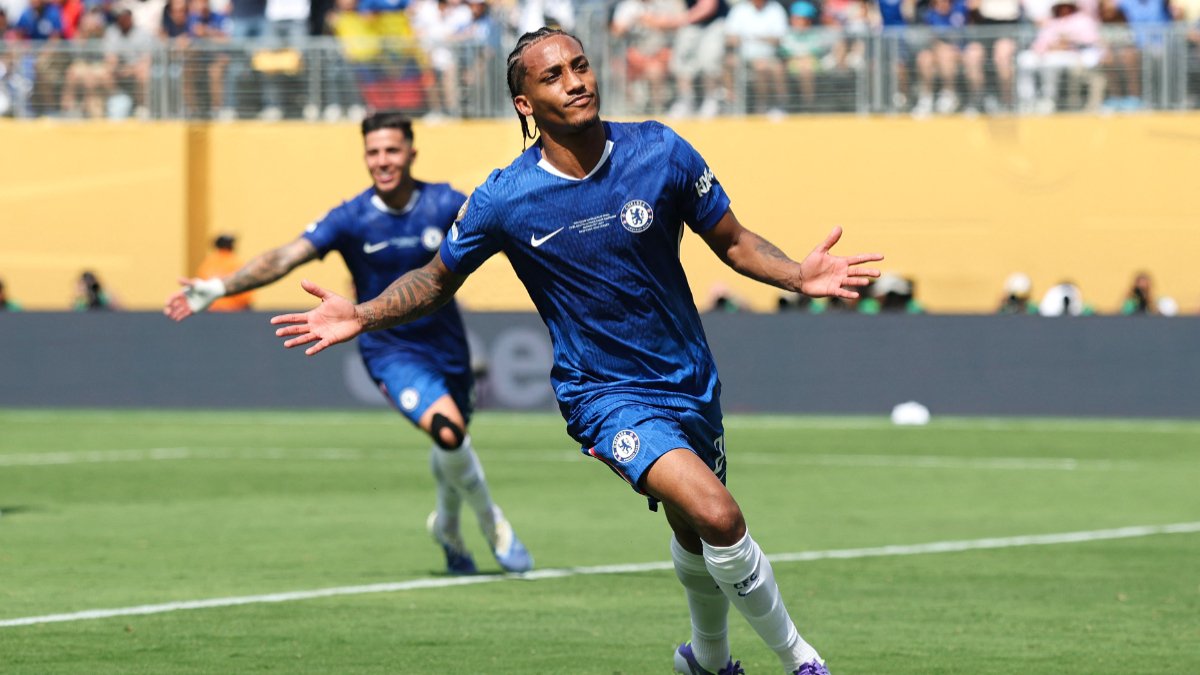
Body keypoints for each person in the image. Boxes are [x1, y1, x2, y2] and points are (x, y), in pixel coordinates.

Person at [271, 28, 884, 675]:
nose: (577, 80)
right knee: (719, 514)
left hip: (689, 378)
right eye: (554, 74)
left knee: (691, 524)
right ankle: (802, 660)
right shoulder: (505, 197)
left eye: (581, 65)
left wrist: (797, 274)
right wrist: (362, 312)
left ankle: (706, 658)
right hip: (603, 395)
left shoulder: (660, 150)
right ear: (524, 103)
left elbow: (730, 239)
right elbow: (434, 278)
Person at [164, 112, 533, 576]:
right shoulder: (352, 218)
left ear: (411, 153)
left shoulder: (443, 203)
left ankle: (448, 528)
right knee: (448, 431)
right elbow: (286, 255)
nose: (383, 161)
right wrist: (219, 287)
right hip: (390, 351)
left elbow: (503, 233)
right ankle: (492, 523)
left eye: (392, 150)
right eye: (374, 152)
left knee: (451, 441)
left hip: (449, 346)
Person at [195, 234, 254, 311]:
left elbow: (200, 287)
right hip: (236, 310)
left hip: (212, 310)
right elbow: (247, 291)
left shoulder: (208, 263)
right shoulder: (236, 262)